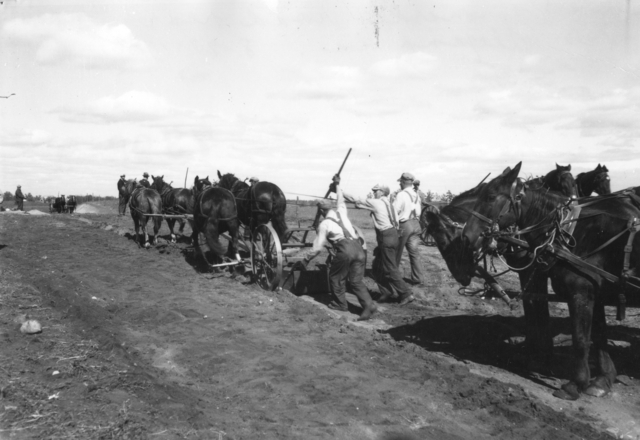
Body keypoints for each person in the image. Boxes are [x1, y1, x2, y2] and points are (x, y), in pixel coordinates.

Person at [298, 175, 377, 321]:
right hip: (359, 248)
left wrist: (306, 259)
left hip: (345, 249)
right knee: (355, 281)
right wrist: (337, 185)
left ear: (321, 212)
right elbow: (340, 198)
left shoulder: (324, 224)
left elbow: (317, 248)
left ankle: (340, 304)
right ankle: (368, 305)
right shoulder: (341, 211)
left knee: (335, 277)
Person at [344, 184, 415, 305]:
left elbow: (356, 199)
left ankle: (406, 293)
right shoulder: (389, 203)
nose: (373, 192)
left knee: (389, 268)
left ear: (382, 192)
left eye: (375, 191)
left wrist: (340, 191)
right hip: (393, 235)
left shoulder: (377, 203)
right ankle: (386, 292)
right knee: (377, 267)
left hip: (386, 236)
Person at [393, 172, 424, 286]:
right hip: (416, 224)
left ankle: (393, 277)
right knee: (414, 253)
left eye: (400, 182)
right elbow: (419, 211)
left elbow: (394, 211)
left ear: (402, 182)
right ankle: (418, 278)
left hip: (404, 225)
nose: (400, 184)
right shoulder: (417, 194)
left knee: (397, 252)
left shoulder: (401, 195)